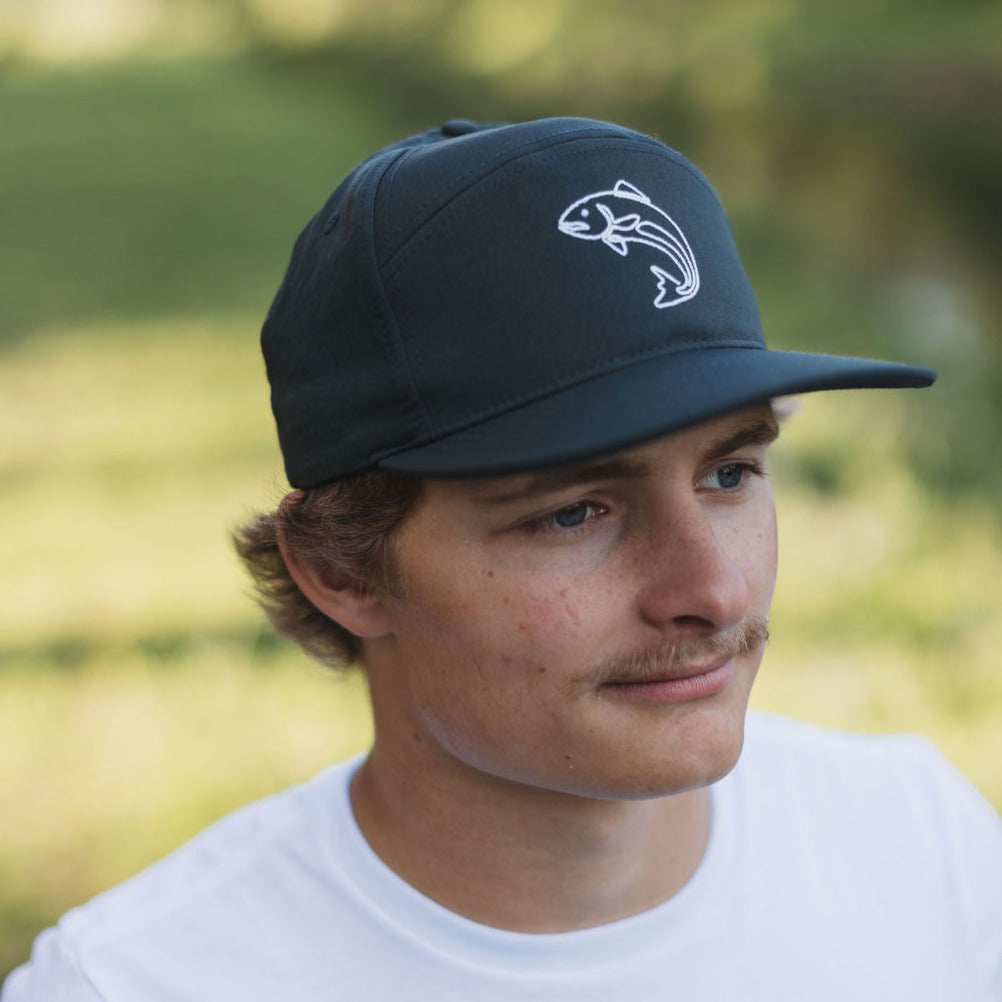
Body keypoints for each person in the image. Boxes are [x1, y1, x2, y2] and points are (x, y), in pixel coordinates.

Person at [5, 117, 1000, 1001]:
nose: (714, 587)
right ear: (342, 570)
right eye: (572, 514)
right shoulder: (135, 983)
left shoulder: (921, 845)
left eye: (730, 472)